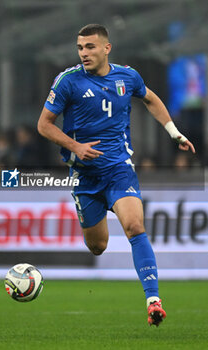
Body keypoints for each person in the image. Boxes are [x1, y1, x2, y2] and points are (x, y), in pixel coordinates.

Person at [38, 24, 195, 326]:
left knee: (135, 226)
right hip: (84, 176)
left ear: (106, 48)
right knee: (98, 246)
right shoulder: (67, 81)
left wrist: (174, 133)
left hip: (119, 169)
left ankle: (153, 301)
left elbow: (150, 99)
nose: (84, 53)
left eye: (90, 47)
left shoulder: (127, 76)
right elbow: (44, 124)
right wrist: (75, 147)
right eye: (80, 48)